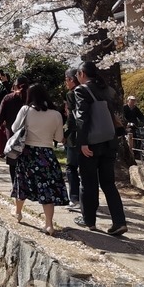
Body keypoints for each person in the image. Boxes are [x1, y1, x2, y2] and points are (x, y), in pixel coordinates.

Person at [73, 61, 128, 236]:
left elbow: (82, 118)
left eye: (77, 75)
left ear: (82, 74)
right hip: (110, 142)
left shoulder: (81, 90)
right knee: (109, 183)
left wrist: (82, 143)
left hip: (92, 143)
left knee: (88, 182)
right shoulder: (107, 90)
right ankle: (119, 222)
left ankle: (89, 221)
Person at [10, 83, 69, 235]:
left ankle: (18, 212)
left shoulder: (26, 110)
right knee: (46, 187)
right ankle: (49, 224)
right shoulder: (56, 114)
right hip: (46, 154)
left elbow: (14, 128)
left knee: (21, 182)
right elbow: (59, 138)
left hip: (28, 153)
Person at [0, 76, 29, 186]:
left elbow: (0, 115)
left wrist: (0, 123)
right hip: (29, 134)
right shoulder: (31, 99)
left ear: (14, 86)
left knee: (13, 161)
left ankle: (15, 185)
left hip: (12, 134)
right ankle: (26, 185)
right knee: (26, 161)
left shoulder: (8, 98)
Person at [63, 69, 81, 210]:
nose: (66, 83)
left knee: (71, 167)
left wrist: (64, 134)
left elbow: (71, 118)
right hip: (91, 136)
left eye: (66, 79)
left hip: (74, 137)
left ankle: (74, 198)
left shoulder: (72, 94)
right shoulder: (87, 91)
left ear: (71, 79)